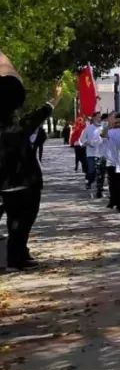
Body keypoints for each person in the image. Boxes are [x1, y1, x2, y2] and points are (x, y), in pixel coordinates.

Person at [0, 51, 60, 269]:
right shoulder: (19, 126)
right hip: (26, 183)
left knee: (15, 221)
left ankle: (20, 254)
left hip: (6, 185)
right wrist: (55, 98)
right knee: (23, 222)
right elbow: (41, 113)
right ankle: (16, 258)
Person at [81, 113, 101, 191]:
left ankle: (99, 186)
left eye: (100, 117)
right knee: (91, 170)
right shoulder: (88, 128)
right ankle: (88, 182)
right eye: (98, 117)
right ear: (93, 118)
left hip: (101, 153)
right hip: (91, 153)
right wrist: (88, 143)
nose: (99, 119)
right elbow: (82, 139)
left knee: (100, 171)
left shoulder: (102, 128)